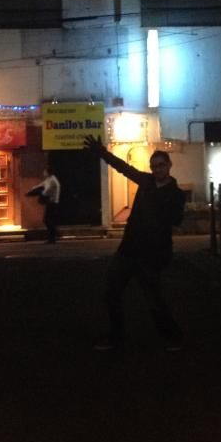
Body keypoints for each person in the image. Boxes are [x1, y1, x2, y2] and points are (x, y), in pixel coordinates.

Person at [84, 135, 186, 352]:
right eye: (154, 166)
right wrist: (102, 152)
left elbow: (176, 220)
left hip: (152, 254)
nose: (157, 169)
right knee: (111, 292)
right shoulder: (146, 182)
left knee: (153, 298)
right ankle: (116, 337)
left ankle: (173, 337)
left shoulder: (175, 194)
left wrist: (161, 213)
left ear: (169, 165)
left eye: (161, 165)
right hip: (128, 249)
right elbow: (123, 168)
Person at [29, 168, 61, 243]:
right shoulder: (49, 179)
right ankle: (51, 238)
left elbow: (47, 191)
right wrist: (33, 189)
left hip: (53, 203)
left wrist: (37, 193)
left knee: (49, 220)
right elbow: (42, 184)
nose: (44, 173)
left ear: (48, 172)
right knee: (48, 220)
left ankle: (52, 238)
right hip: (50, 202)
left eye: (45, 172)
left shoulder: (53, 180)